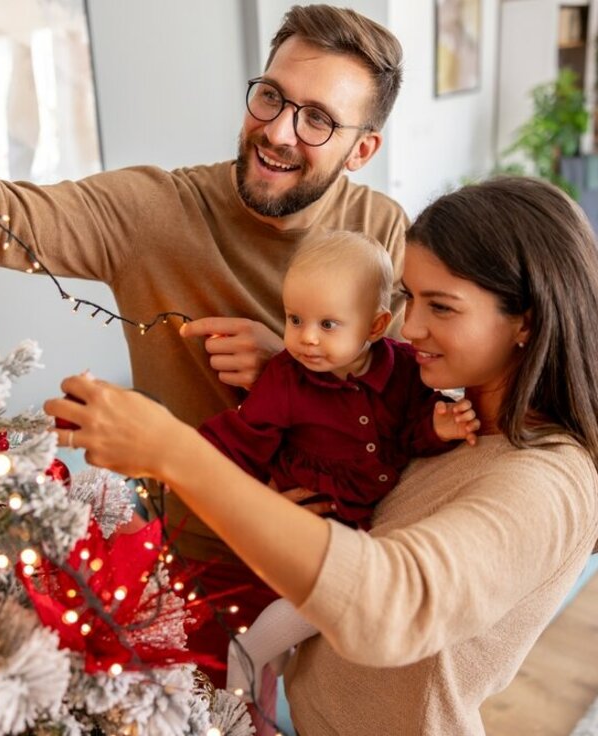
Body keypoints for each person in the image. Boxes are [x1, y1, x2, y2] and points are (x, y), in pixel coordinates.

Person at [0, 1, 408, 699]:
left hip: (339, 570)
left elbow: (406, 387)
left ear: (362, 150)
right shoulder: (155, 213)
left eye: (317, 119)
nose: (277, 131)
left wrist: (288, 361)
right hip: (205, 577)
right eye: (271, 96)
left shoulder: (381, 229)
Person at [44, 176, 598, 735]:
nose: (414, 326)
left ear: (525, 320)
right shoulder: (446, 406)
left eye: (443, 307)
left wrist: (173, 453)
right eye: (409, 297)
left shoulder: (548, 481)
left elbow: (391, 604)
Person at [196, 230, 479, 701]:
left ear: (374, 327)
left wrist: (440, 428)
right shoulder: (287, 378)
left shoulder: (406, 370)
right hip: (313, 531)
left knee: (295, 641)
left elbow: (412, 433)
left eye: (328, 325)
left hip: (359, 536)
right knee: (267, 634)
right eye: (294, 319)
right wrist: (191, 463)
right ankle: (234, 709)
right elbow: (241, 438)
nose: (305, 338)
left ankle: (267, 687)